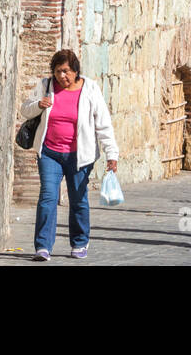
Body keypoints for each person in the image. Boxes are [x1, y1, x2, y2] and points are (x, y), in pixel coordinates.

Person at [21, 49, 119, 261]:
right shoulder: (46, 86)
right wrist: (39, 105)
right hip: (49, 153)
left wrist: (112, 154)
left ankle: (80, 242)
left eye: (66, 71)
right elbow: (25, 110)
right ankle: (43, 246)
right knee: (48, 197)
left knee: (78, 200)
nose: (61, 76)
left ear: (75, 71)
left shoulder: (90, 89)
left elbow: (103, 125)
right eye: (57, 72)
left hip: (79, 156)